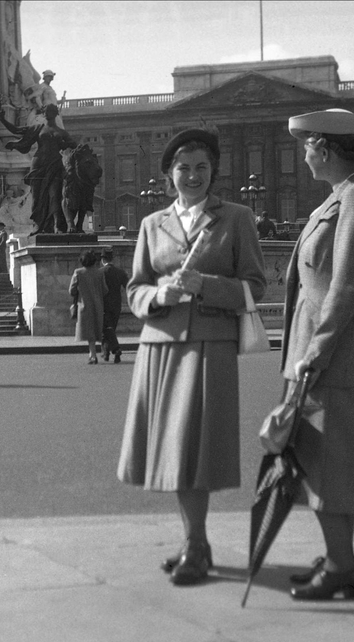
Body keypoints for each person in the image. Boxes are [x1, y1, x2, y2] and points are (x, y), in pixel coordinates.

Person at [116, 128, 266, 586]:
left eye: (202, 167)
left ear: (213, 172)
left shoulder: (237, 218)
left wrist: (209, 287)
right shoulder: (150, 224)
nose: (193, 175)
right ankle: (192, 541)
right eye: (183, 168)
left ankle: (196, 544)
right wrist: (159, 293)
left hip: (208, 345)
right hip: (160, 345)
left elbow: (256, 287)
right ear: (169, 174)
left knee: (194, 449)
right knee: (171, 450)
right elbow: (135, 289)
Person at [280, 108, 354, 601]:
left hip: (332, 359)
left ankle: (343, 564)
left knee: (333, 467)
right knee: (320, 465)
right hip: (318, 355)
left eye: (306, 146)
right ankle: (338, 556)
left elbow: (345, 288)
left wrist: (315, 353)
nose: (303, 155)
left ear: (323, 146)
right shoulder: (337, 199)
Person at [0, 104, 76, 234]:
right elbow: (17, 130)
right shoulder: (38, 128)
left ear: (55, 113)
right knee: (36, 197)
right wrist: (3, 120)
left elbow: (74, 146)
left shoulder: (62, 132)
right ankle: (37, 225)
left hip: (54, 165)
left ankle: (57, 226)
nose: (47, 113)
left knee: (54, 195)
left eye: (50, 111)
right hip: (38, 164)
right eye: (45, 111)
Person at [69, 248, 107, 363]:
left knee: (89, 330)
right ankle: (94, 353)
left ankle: (92, 354)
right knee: (96, 329)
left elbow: (71, 290)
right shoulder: (100, 272)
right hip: (98, 304)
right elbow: (105, 290)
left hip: (84, 305)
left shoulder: (78, 272)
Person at [100, 247, 128, 363]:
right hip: (116, 304)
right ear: (113, 258)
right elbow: (128, 287)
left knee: (105, 329)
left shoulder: (100, 272)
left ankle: (115, 349)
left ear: (102, 259)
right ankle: (106, 353)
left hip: (104, 304)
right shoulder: (120, 272)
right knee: (111, 329)